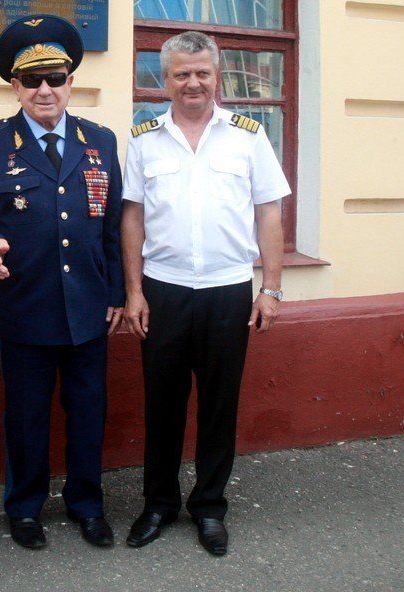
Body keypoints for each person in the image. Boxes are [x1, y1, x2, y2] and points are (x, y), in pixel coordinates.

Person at [120, 30, 291, 557]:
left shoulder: (248, 136)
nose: (192, 83)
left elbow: (269, 212)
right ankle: (159, 503)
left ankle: (210, 507)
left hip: (226, 292)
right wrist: (133, 292)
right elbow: (132, 217)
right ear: (164, 79)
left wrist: (272, 289)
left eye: (202, 73)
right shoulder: (144, 138)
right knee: (162, 404)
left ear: (217, 77)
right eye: (181, 74)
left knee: (220, 405)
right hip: (164, 290)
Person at [0, 13, 123, 550]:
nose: (45, 89)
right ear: (15, 86)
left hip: (88, 307)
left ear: (70, 82)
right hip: (26, 306)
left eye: (55, 78)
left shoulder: (99, 140)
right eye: (32, 80)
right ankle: (25, 508)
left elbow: (113, 223)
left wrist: (119, 293)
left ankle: (87, 504)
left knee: (87, 413)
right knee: (27, 418)